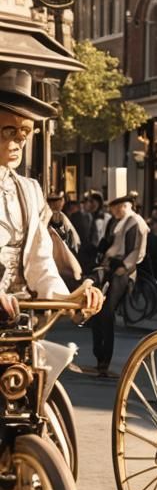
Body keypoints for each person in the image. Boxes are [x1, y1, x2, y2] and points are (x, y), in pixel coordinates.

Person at [0, 70, 102, 375]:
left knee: (35, 391)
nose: (18, 142)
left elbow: (40, 264)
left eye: (25, 133)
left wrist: (71, 299)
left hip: (19, 322)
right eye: (8, 131)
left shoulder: (29, 190)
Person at [90, 192, 149, 376]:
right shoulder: (115, 221)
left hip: (122, 271)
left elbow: (137, 250)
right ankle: (99, 355)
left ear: (125, 206)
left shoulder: (135, 222)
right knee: (96, 311)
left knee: (107, 312)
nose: (113, 210)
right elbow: (109, 242)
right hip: (108, 267)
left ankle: (104, 360)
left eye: (116, 206)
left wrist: (124, 266)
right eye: (112, 207)